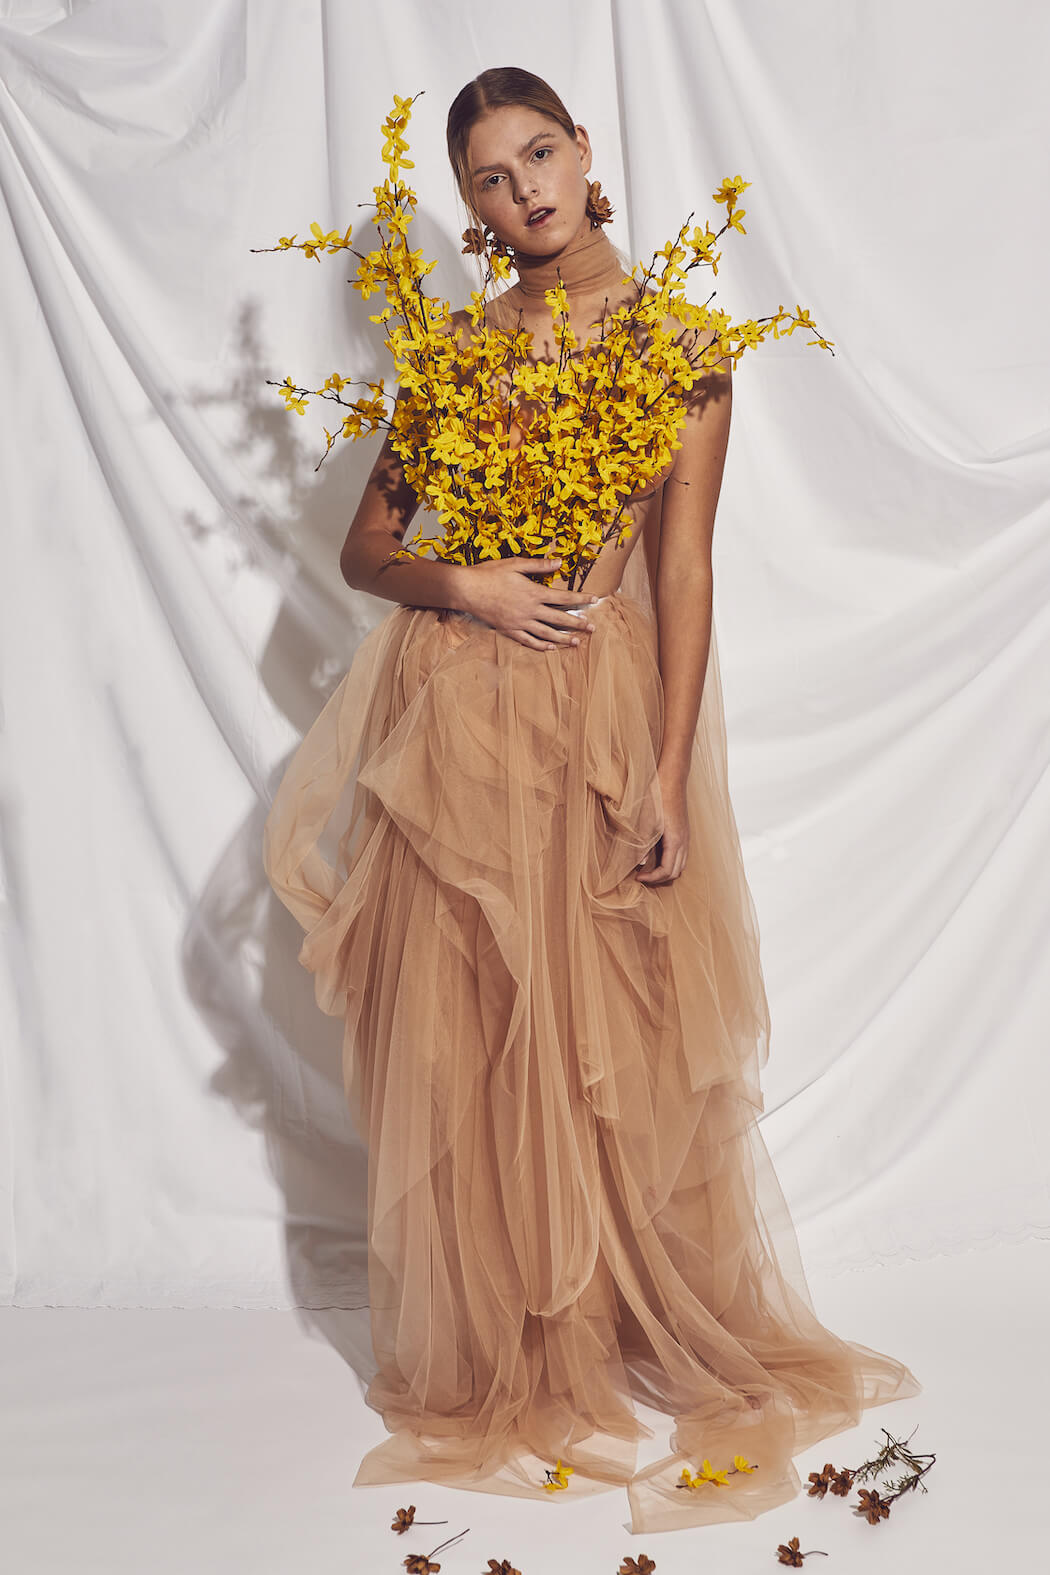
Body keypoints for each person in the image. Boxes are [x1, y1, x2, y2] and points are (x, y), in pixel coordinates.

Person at [262, 66, 921, 1537]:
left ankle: (606, 1311)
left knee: (597, 1013)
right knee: (472, 1010)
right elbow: (368, 550)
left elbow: (683, 570)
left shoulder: (677, 345)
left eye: (540, 155)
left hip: (595, 710)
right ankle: (510, 1339)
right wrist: (468, 584)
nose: (525, 193)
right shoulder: (455, 352)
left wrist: (668, 771)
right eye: (490, 181)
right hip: (453, 704)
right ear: (471, 210)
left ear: (584, 152)